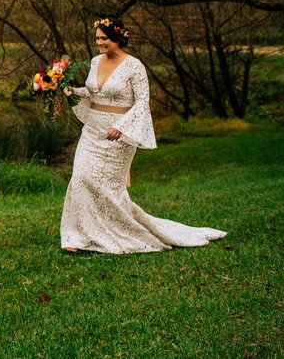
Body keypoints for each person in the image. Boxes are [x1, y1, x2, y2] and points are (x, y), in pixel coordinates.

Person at [60, 17, 226, 253]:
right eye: (97, 38)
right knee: (80, 178)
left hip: (119, 136)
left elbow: (142, 102)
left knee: (109, 188)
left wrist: (123, 127)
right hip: (93, 131)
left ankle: (120, 231)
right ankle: (75, 236)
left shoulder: (134, 66)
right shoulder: (96, 62)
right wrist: (68, 90)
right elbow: (93, 92)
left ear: (117, 37)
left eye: (104, 38)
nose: (99, 43)